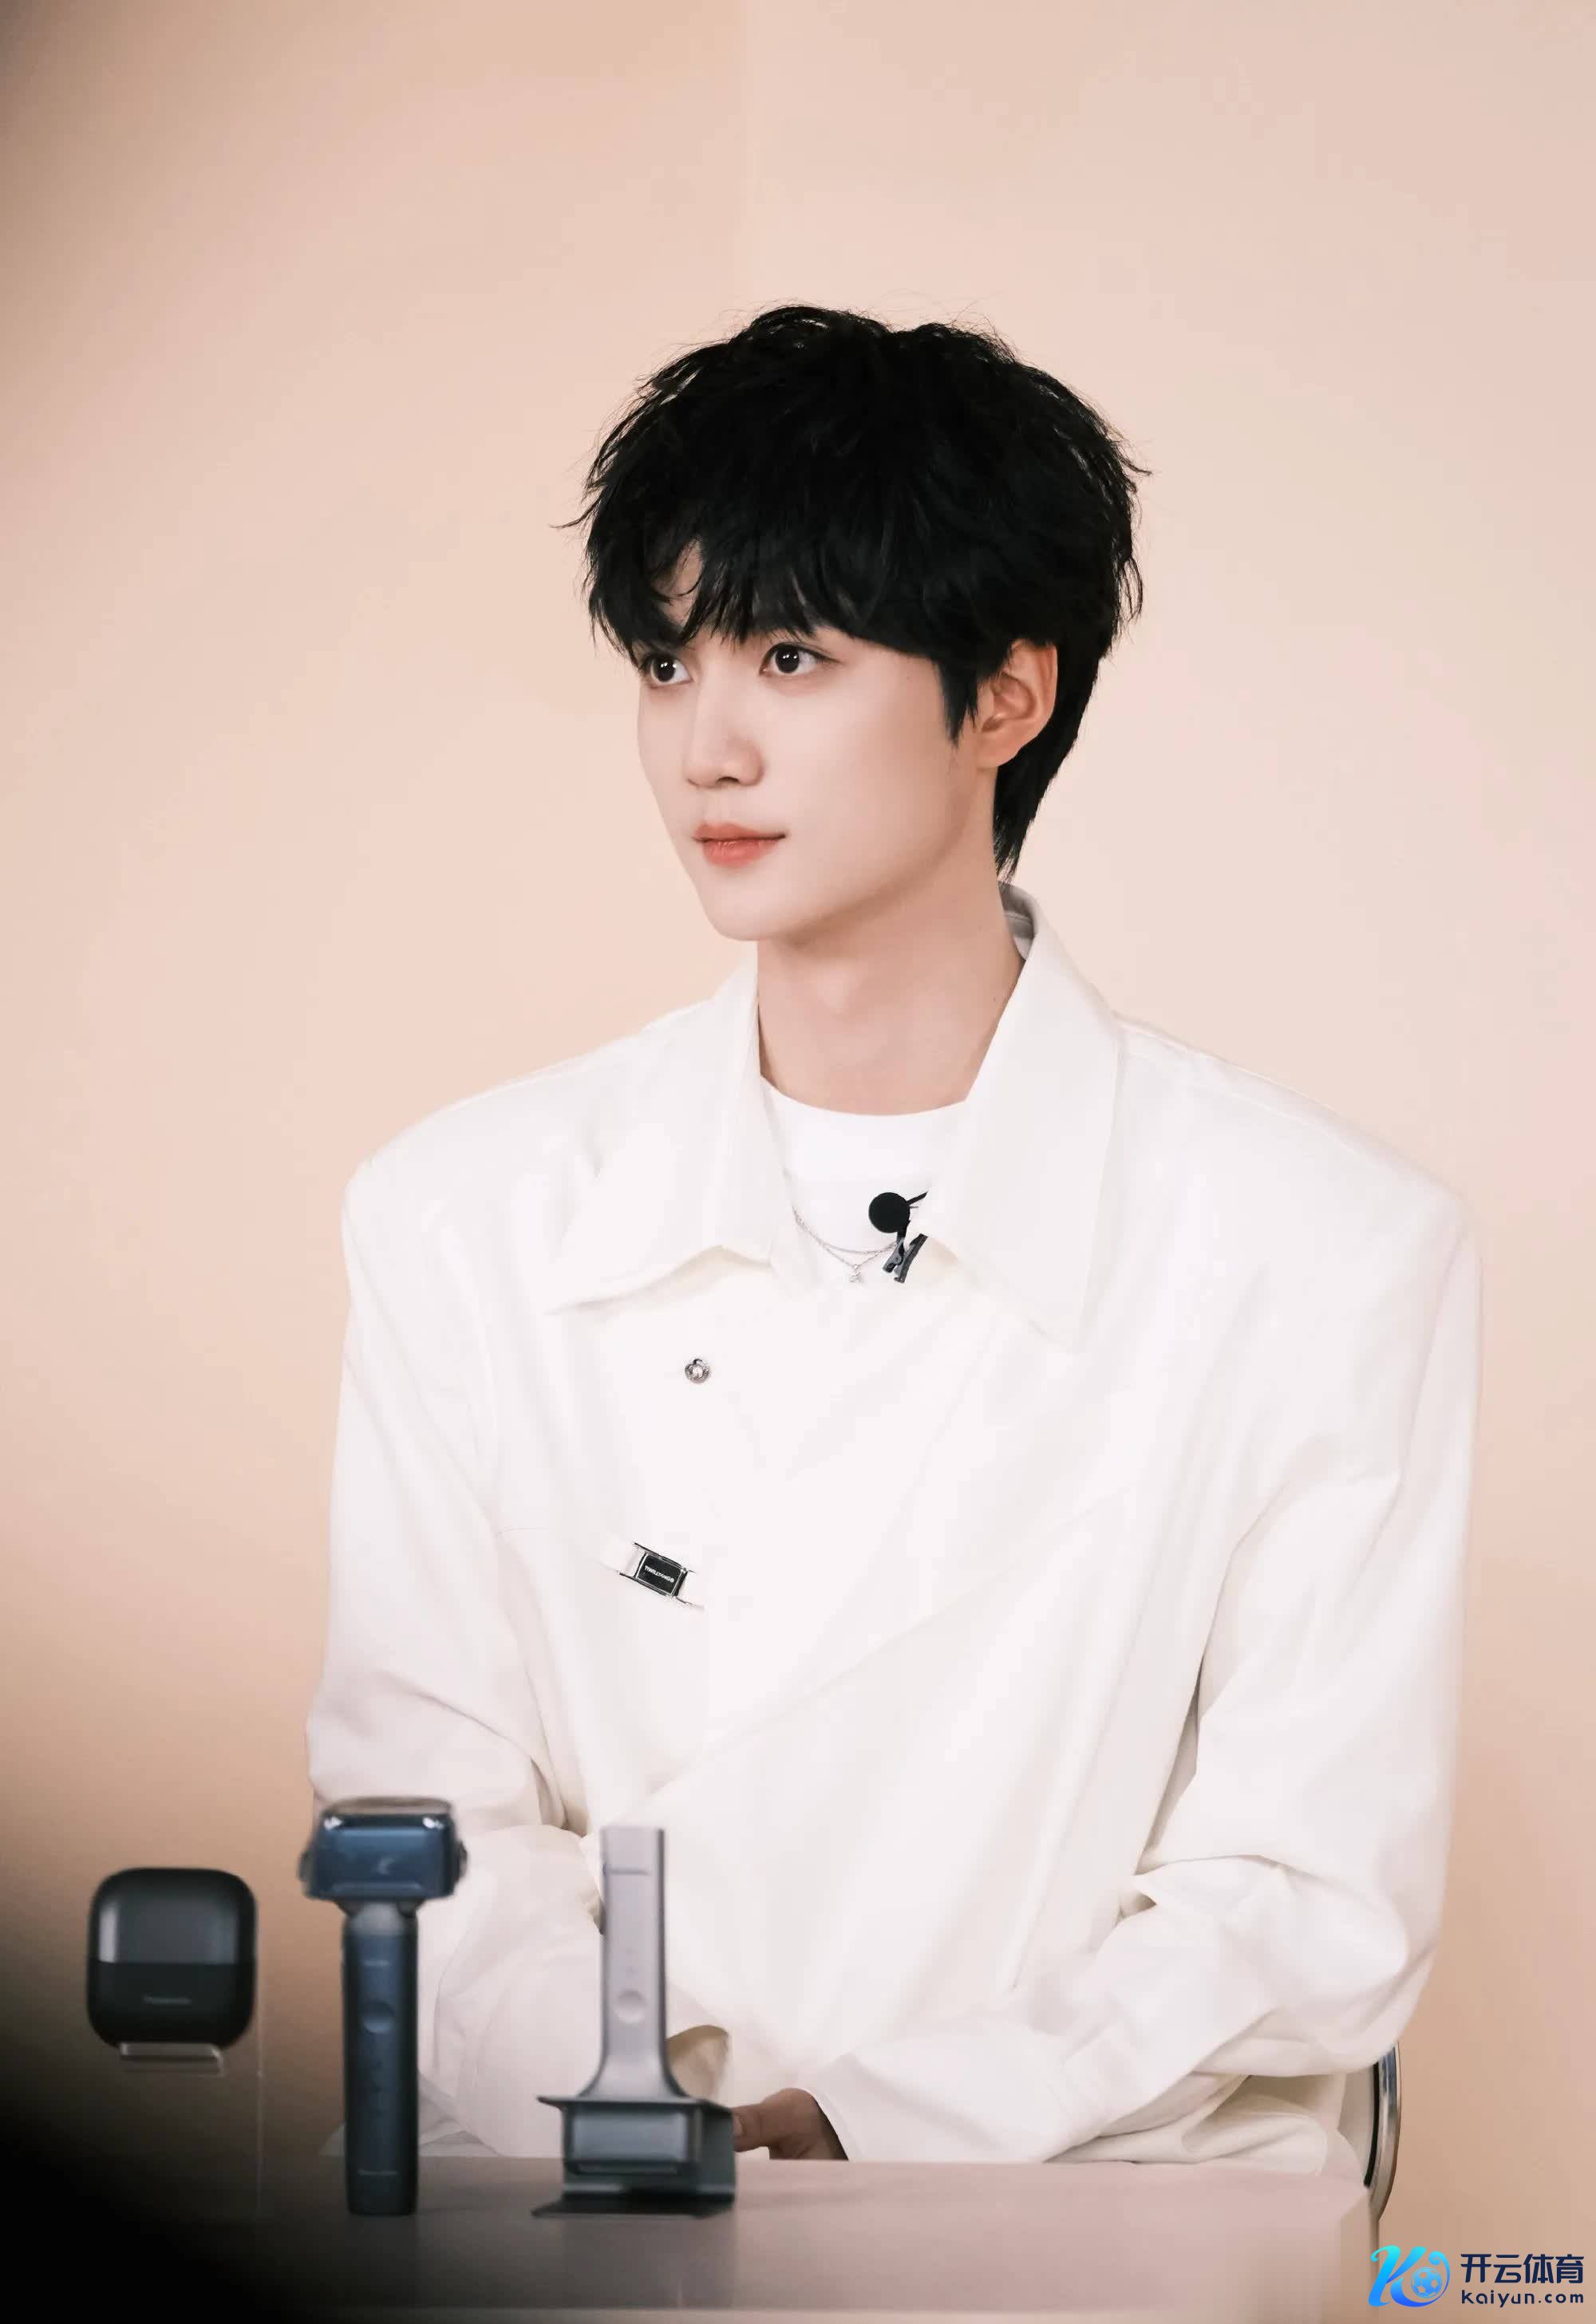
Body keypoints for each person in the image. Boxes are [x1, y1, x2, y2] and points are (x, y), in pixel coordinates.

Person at [306, 303, 1481, 2175]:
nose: (707, 745)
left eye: (790, 654)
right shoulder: (462, 1214)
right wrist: (623, 2109)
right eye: (669, 660)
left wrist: (855, 2128)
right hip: (574, 2216)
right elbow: (422, 1815)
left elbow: (1298, 1896)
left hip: (1083, 2230)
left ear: (1004, 694)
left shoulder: (1321, 1247)